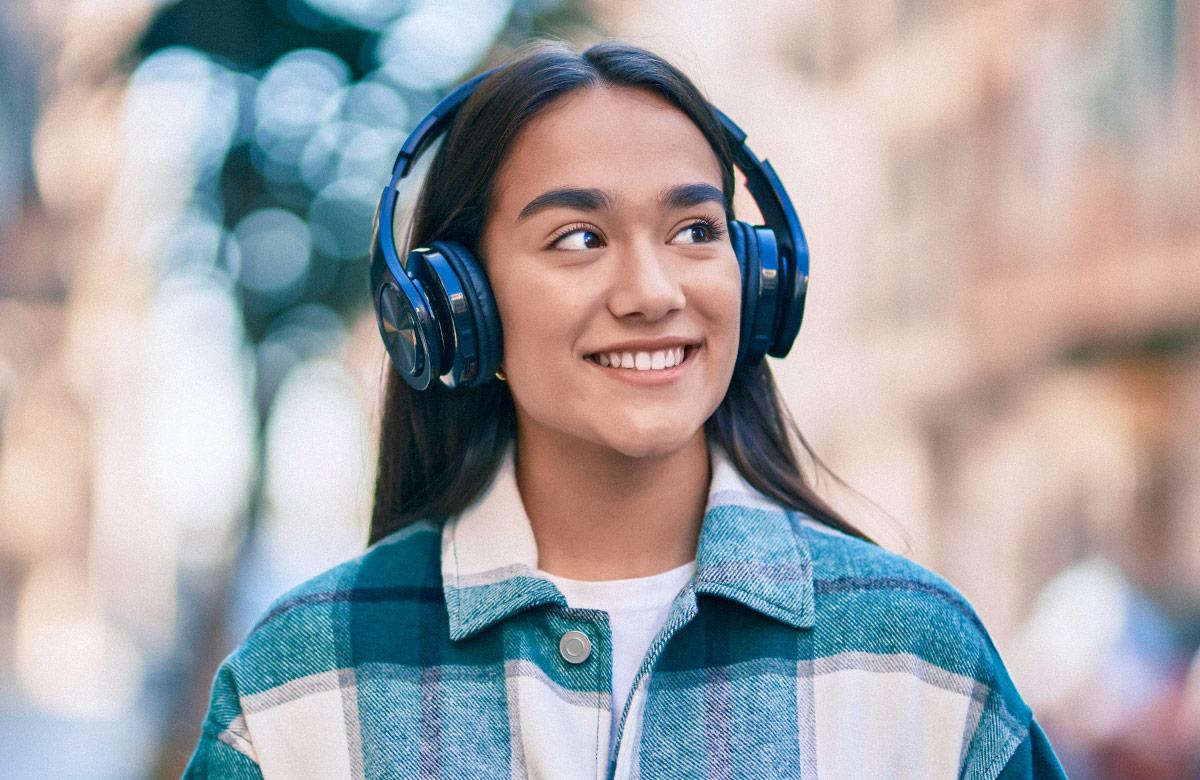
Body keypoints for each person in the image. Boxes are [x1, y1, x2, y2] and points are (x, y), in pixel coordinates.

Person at [185, 40, 1065, 778]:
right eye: (579, 238)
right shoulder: (296, 689)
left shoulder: (920, 661)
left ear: (759, 282)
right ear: (455, 308)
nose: (652, 291)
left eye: (695, 231)